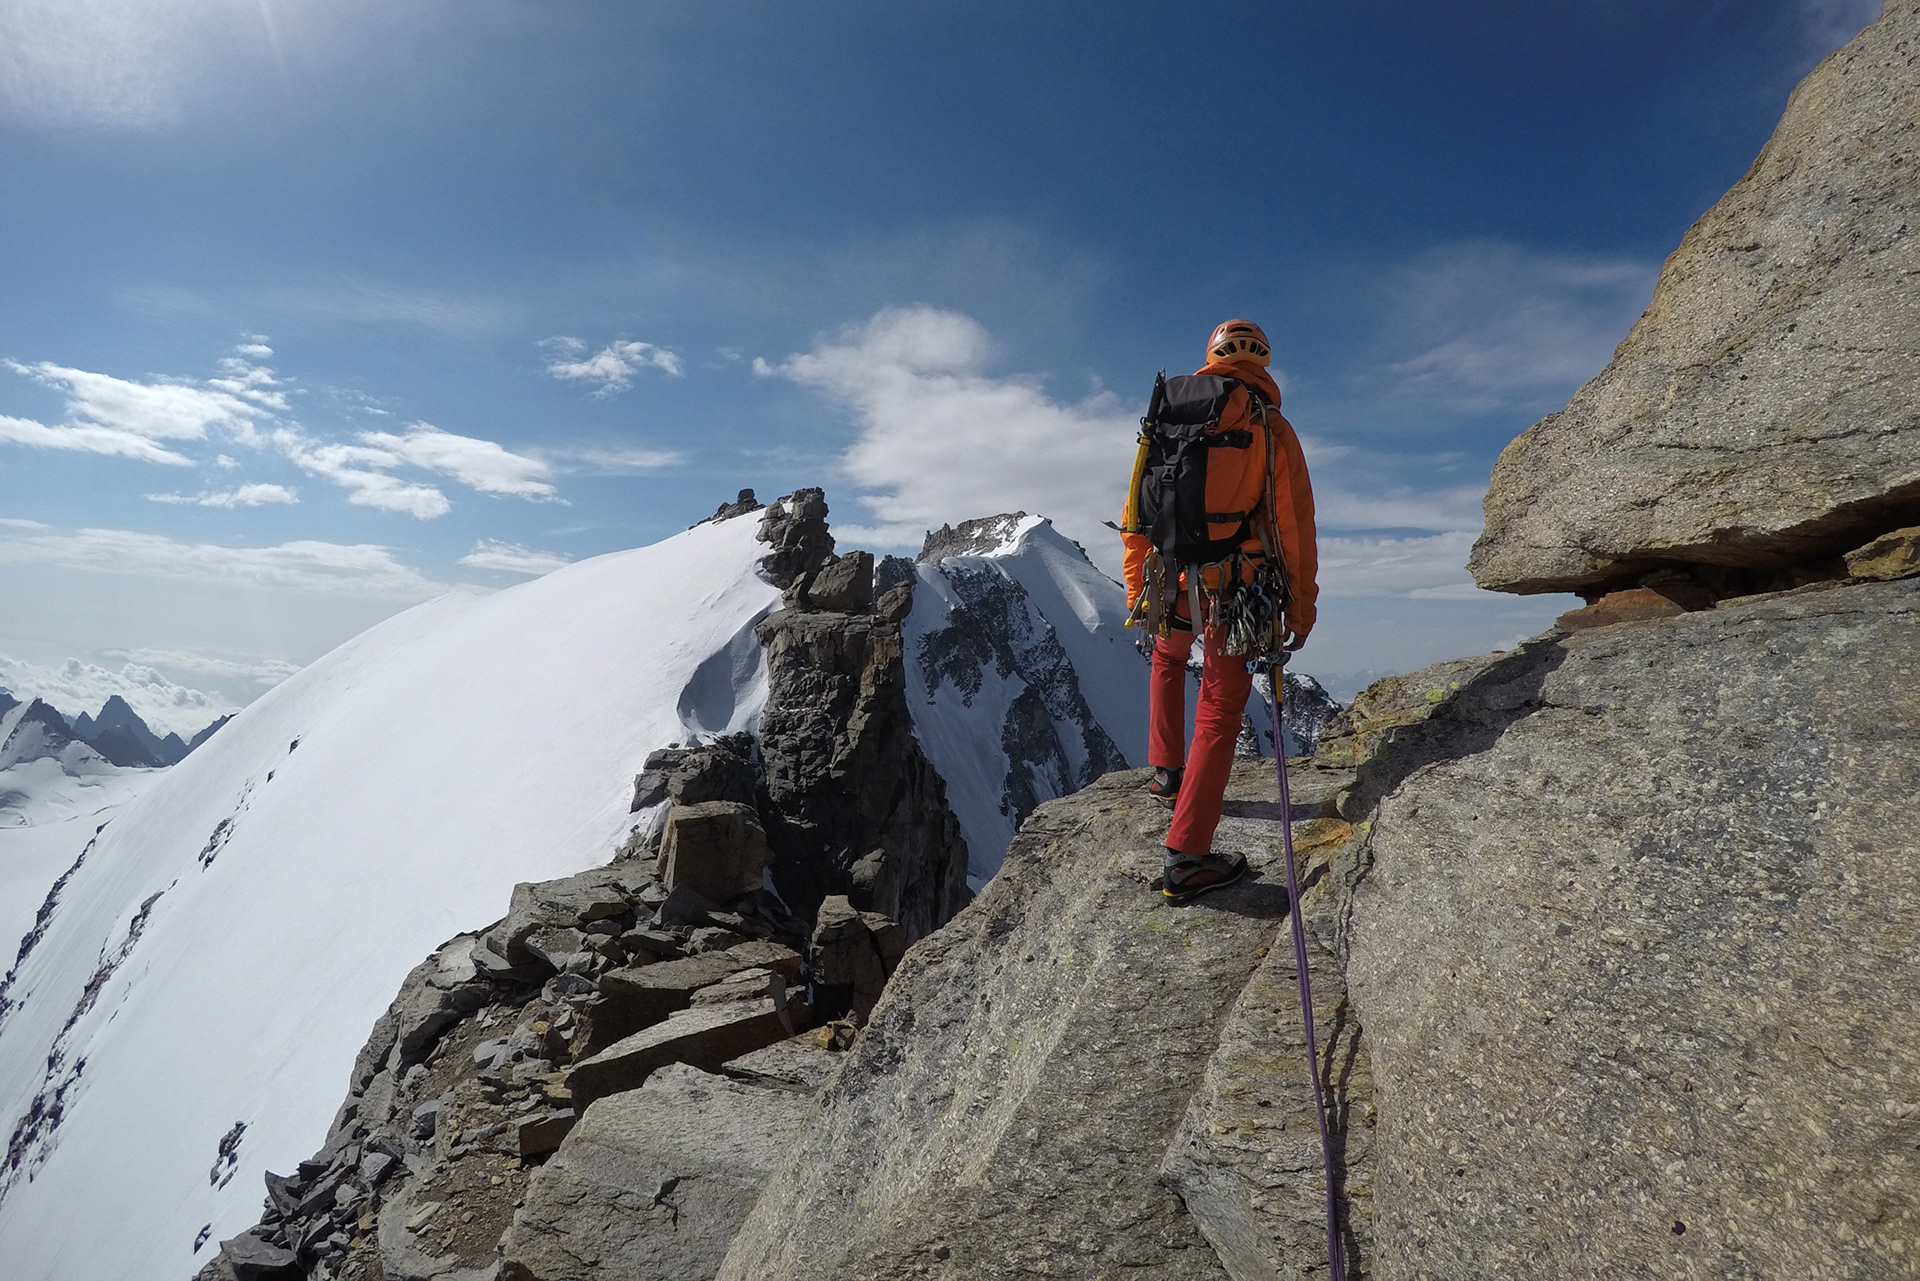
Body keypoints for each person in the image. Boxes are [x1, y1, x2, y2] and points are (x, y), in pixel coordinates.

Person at [1120, 319, 1318, 900]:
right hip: (1235, 587)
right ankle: (1188, 856)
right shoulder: (1268, 425)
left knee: (1167, 658)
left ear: (1211, 357)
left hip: (1168, 574)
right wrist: (1299, 609)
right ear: (1264, 363)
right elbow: (1292, 524)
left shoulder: (1167, 416)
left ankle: (1166, 774)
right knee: (1220, 708)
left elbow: (1135, 509)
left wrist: (1137, 588)